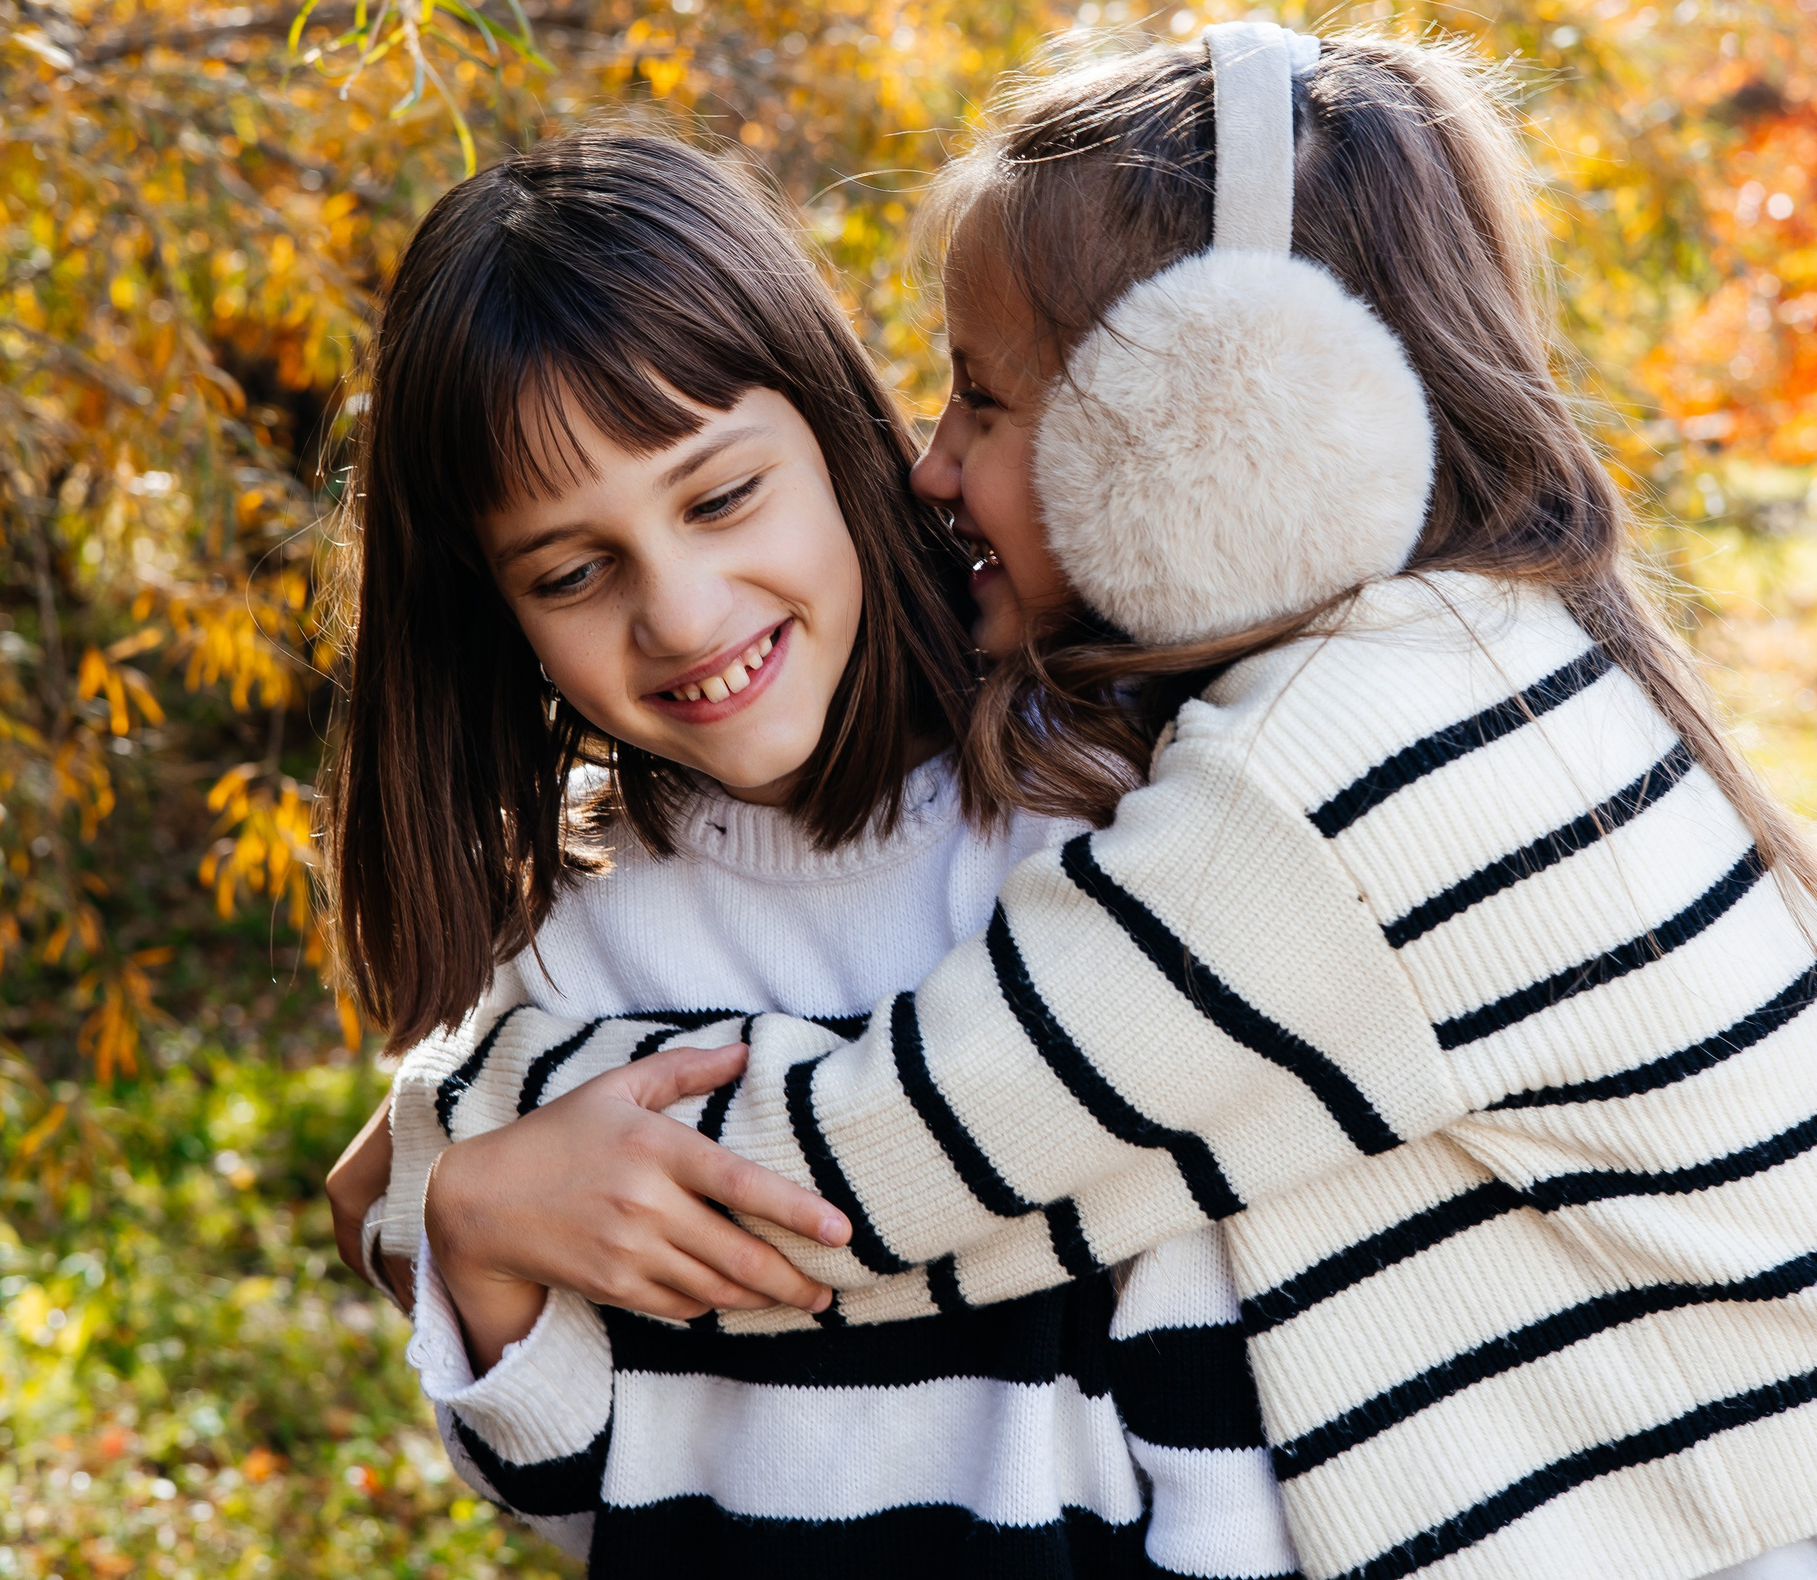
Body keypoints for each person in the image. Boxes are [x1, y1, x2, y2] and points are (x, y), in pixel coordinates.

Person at [387, 30, 1817, 1580]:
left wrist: (444, 1162)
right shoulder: (1441, 664)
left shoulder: (1306, 798)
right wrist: (467, 1181)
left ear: (1212, 425)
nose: (931, 464)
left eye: (988, 403)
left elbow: (886, 1168)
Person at [321, 127, 1300, 1577]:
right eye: (575, 572)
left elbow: (1221, 1367)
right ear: (499, 612)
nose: (684, 612)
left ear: (841, 435)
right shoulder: (577, 940)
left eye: (721, 498)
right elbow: (601, 1493)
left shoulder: (1094, 811)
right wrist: (471, 1238)